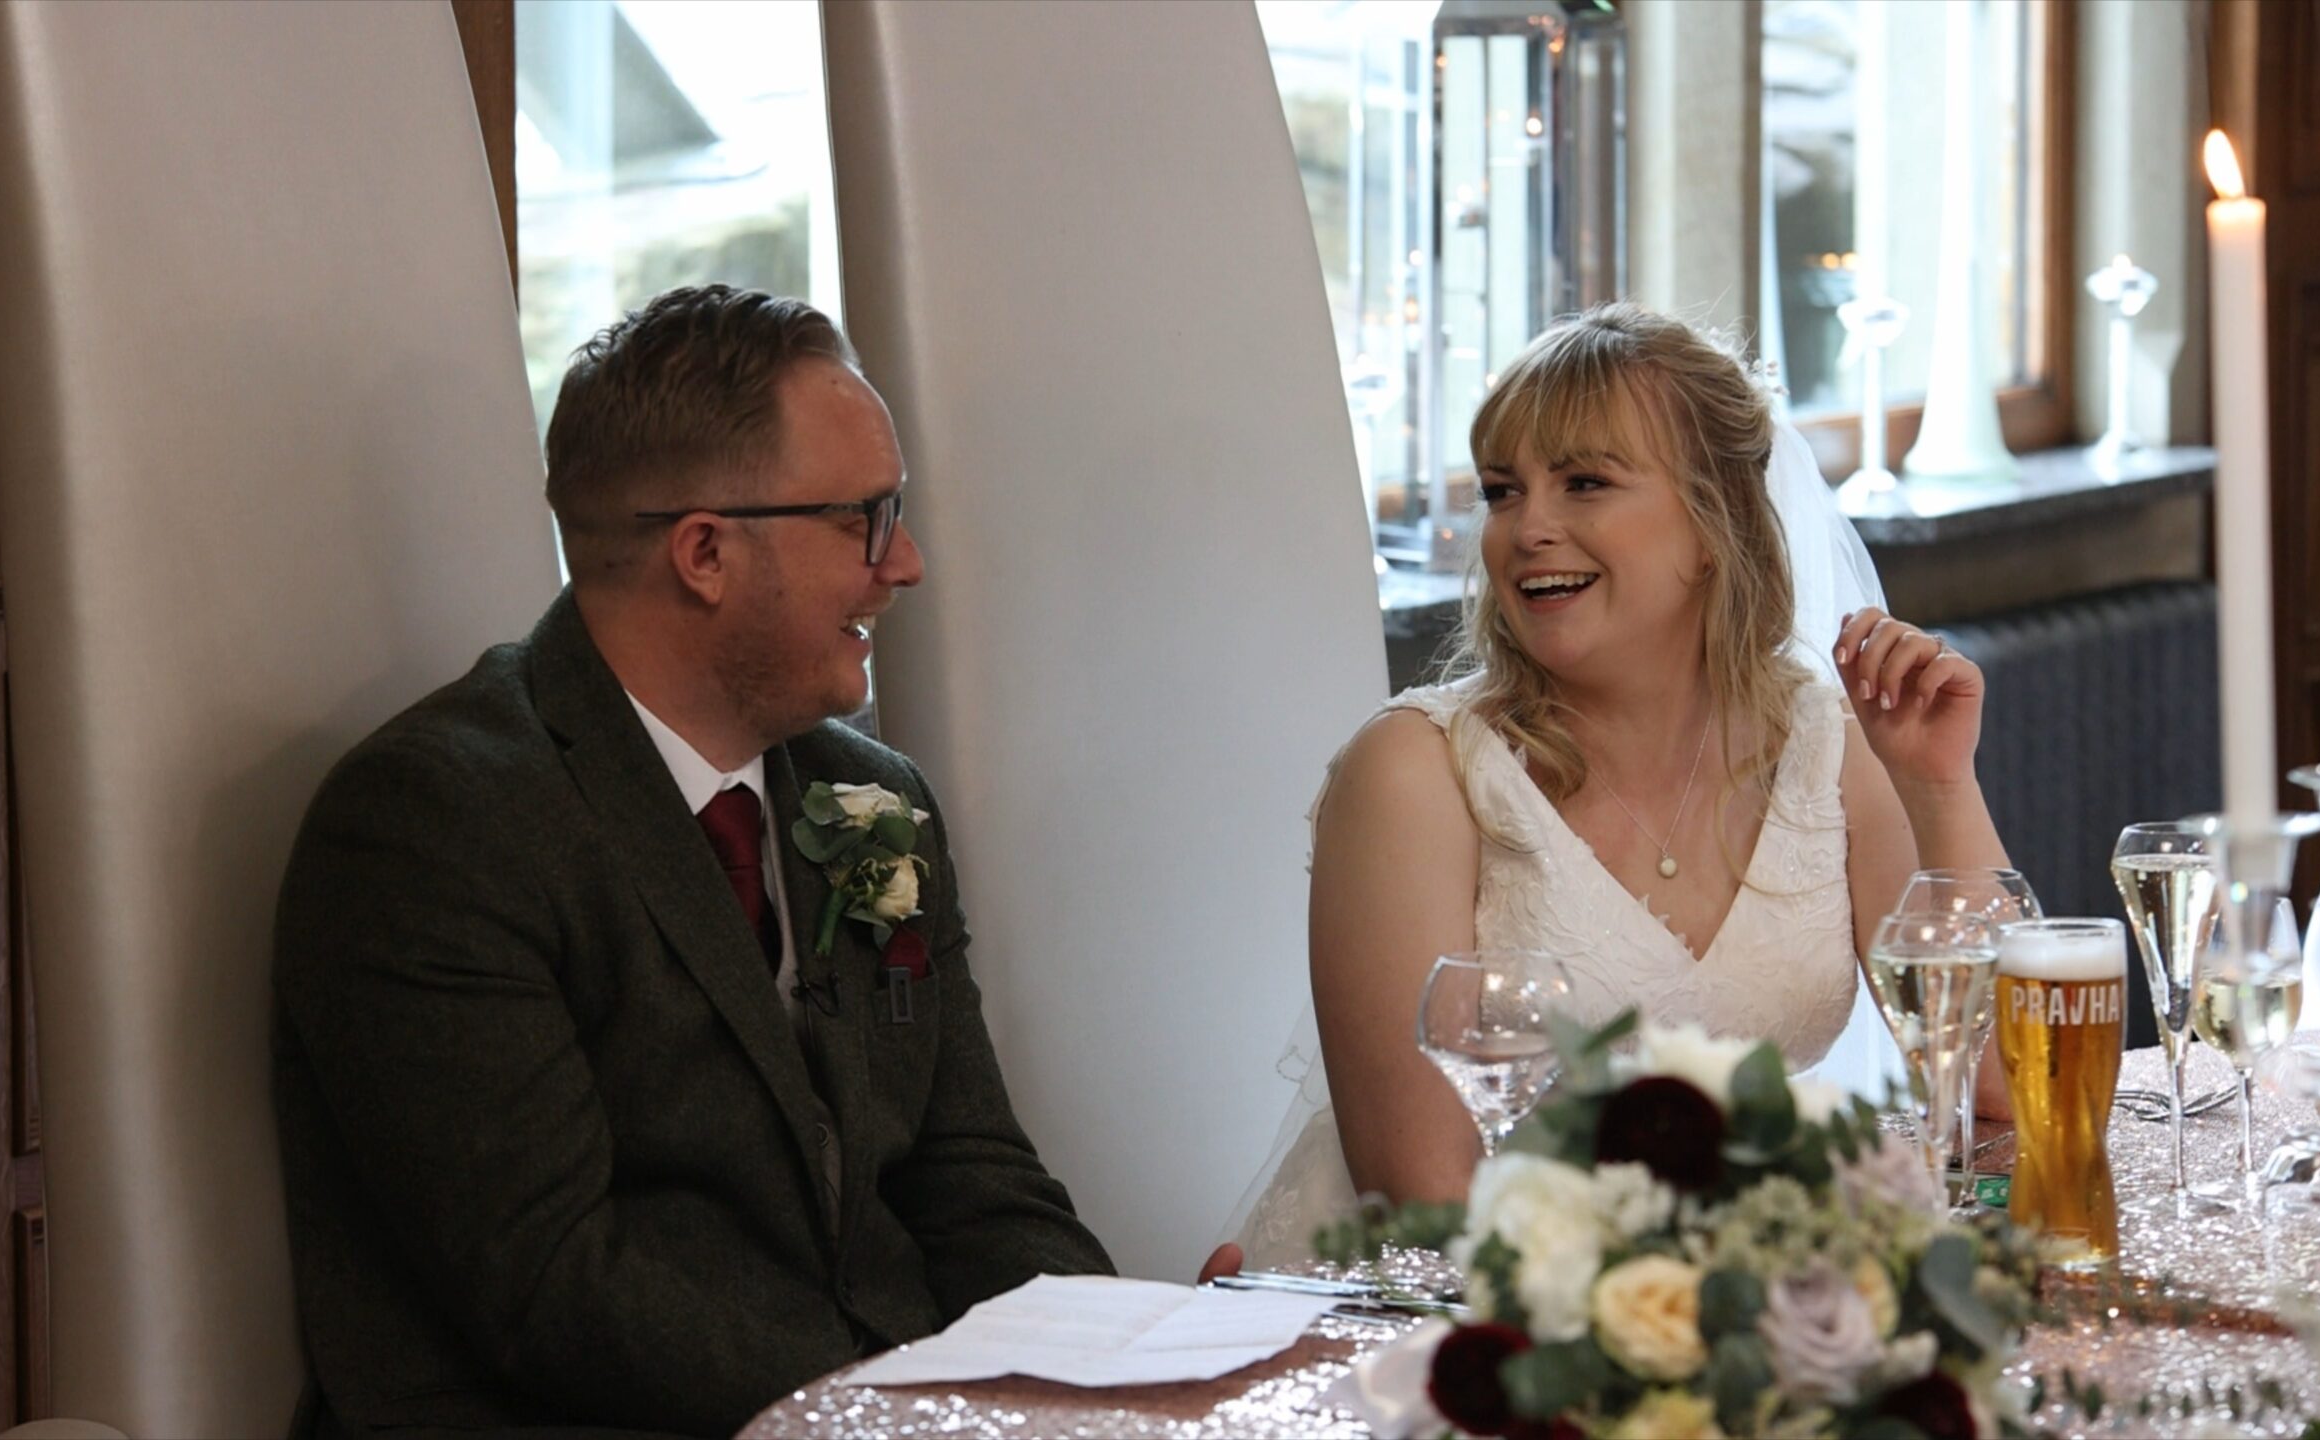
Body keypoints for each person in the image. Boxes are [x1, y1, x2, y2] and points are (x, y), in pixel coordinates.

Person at [273, 285, 1165, 1438]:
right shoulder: (434, 825)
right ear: (704, 552)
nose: (907, 566)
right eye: (866, 518)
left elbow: (973, 1174)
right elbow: (552, 1289)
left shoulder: (870, 798)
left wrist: (1110, 1372)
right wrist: (917, 1420)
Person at [1232, 304, 2013, 1262]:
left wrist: (1939, 788)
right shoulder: (1415, 774)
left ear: (1715, 520)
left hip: (1721, 1310)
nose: (1529, 529)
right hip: (1428, 1330)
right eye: (1503, 491)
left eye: (1585, 482)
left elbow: (2004, 1090)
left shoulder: (1826, 744)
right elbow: (1428, 1200)